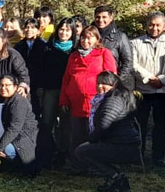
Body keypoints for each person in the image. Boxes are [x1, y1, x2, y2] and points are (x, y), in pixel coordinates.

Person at [73, 71, 141, 192]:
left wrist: (90, 141)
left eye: (104, 84)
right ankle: (116, 176)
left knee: (81, 152)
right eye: (98, 83)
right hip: (124, 144)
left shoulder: (113, 100)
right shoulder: (117, 97)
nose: (99, 86)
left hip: (122, 145)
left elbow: (104, 126)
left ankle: (115, 177)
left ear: (113, 85)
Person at [131, 11, 165, 167]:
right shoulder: (135, 43)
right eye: (151, 24)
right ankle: (137, 155)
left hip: (163, 91)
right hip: (142, 91)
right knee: (140, 124)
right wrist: (149, 78)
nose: (154, 28)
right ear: (146, 25)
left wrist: (162, 80)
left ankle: (158, 156)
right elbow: (133, 64)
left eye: (158, 25)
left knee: (161, 124)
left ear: (164, 26)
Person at [59, 26, 117, 157]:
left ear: (97, 39)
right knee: (77, 135)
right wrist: (64, 99)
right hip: (76, 103)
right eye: (83, 37)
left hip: (96, 104)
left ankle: (96, 164)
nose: (85, 40)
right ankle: (77, 164)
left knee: (95, 135)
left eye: (90, 37)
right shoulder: (74, 56)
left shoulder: (104, 53)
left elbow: (111, 78)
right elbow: (66, 79)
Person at [41, 18, 78, 167]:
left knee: (65, 124)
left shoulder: (75, 50)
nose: (64, 32)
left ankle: (63, 153)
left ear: (73, 32)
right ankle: (46, 151)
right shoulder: (48, 47)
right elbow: (42, 69)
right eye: (61, 29)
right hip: (50, 89)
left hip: (67, 92)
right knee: (47, 122)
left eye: (68, 30)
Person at [0, 75, 40, 176]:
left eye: (7, 85)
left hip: (23, 140)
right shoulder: (3, 101)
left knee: (5, 148)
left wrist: (1, 147)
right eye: (1, 85)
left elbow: (14, 128)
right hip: (13, 137)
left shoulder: (19, 102)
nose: (3, 88)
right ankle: (11, 166)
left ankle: (19, 165)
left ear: (15, 87)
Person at [93, 6, 132, 89]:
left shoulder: (120, 37)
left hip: (111, 84)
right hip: (92, 83)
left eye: (104, 17)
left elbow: (128, 62)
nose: (100, 20)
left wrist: (116, 81)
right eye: (98, 17)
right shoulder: (89, 35)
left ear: (111, 18)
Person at [13, 18, 46, 117]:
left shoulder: (43, 45)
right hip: (22, 82)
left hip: (38, 83)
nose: (29, 30)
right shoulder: (19, 46)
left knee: (36, 110)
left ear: (38, 30)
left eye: (33, 27)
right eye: (27, 27)